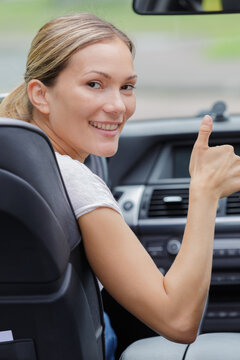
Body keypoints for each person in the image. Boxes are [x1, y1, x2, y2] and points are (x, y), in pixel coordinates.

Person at [1, 12, 240, 358]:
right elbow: (178, 320)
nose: (117, 106)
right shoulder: (74, 179)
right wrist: (204, 192)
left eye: (127, 86)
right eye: (94, 84)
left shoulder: (26, 164)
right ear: (40, 95)